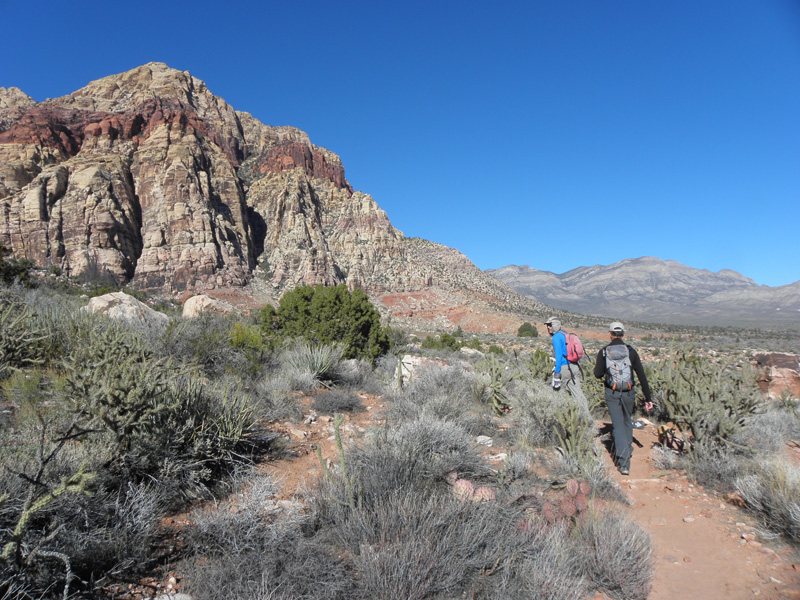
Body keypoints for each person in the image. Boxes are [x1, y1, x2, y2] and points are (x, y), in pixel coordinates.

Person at [593, 321, 653, 475]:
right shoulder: (631, 351)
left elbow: (597, 374)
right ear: (623, 334)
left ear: (610, 334)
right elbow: (641, 375)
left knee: (618, 425)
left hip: (612, 392)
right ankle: (627, 447)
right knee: (627, 419)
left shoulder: (604, 352)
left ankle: (623, 462)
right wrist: (648, 398)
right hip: (629, 392)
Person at [544, 316, 590, 419]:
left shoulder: (556, 337)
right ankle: (588, 421)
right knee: (579, 395)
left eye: (550, 325)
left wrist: (556, 373)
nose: (548, 327)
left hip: (564, 368)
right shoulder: (565, 334)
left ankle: (556, 420)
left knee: (557, 395)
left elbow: (559, 357)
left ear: (555, 325)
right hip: (574, 367)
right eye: (547, 325)